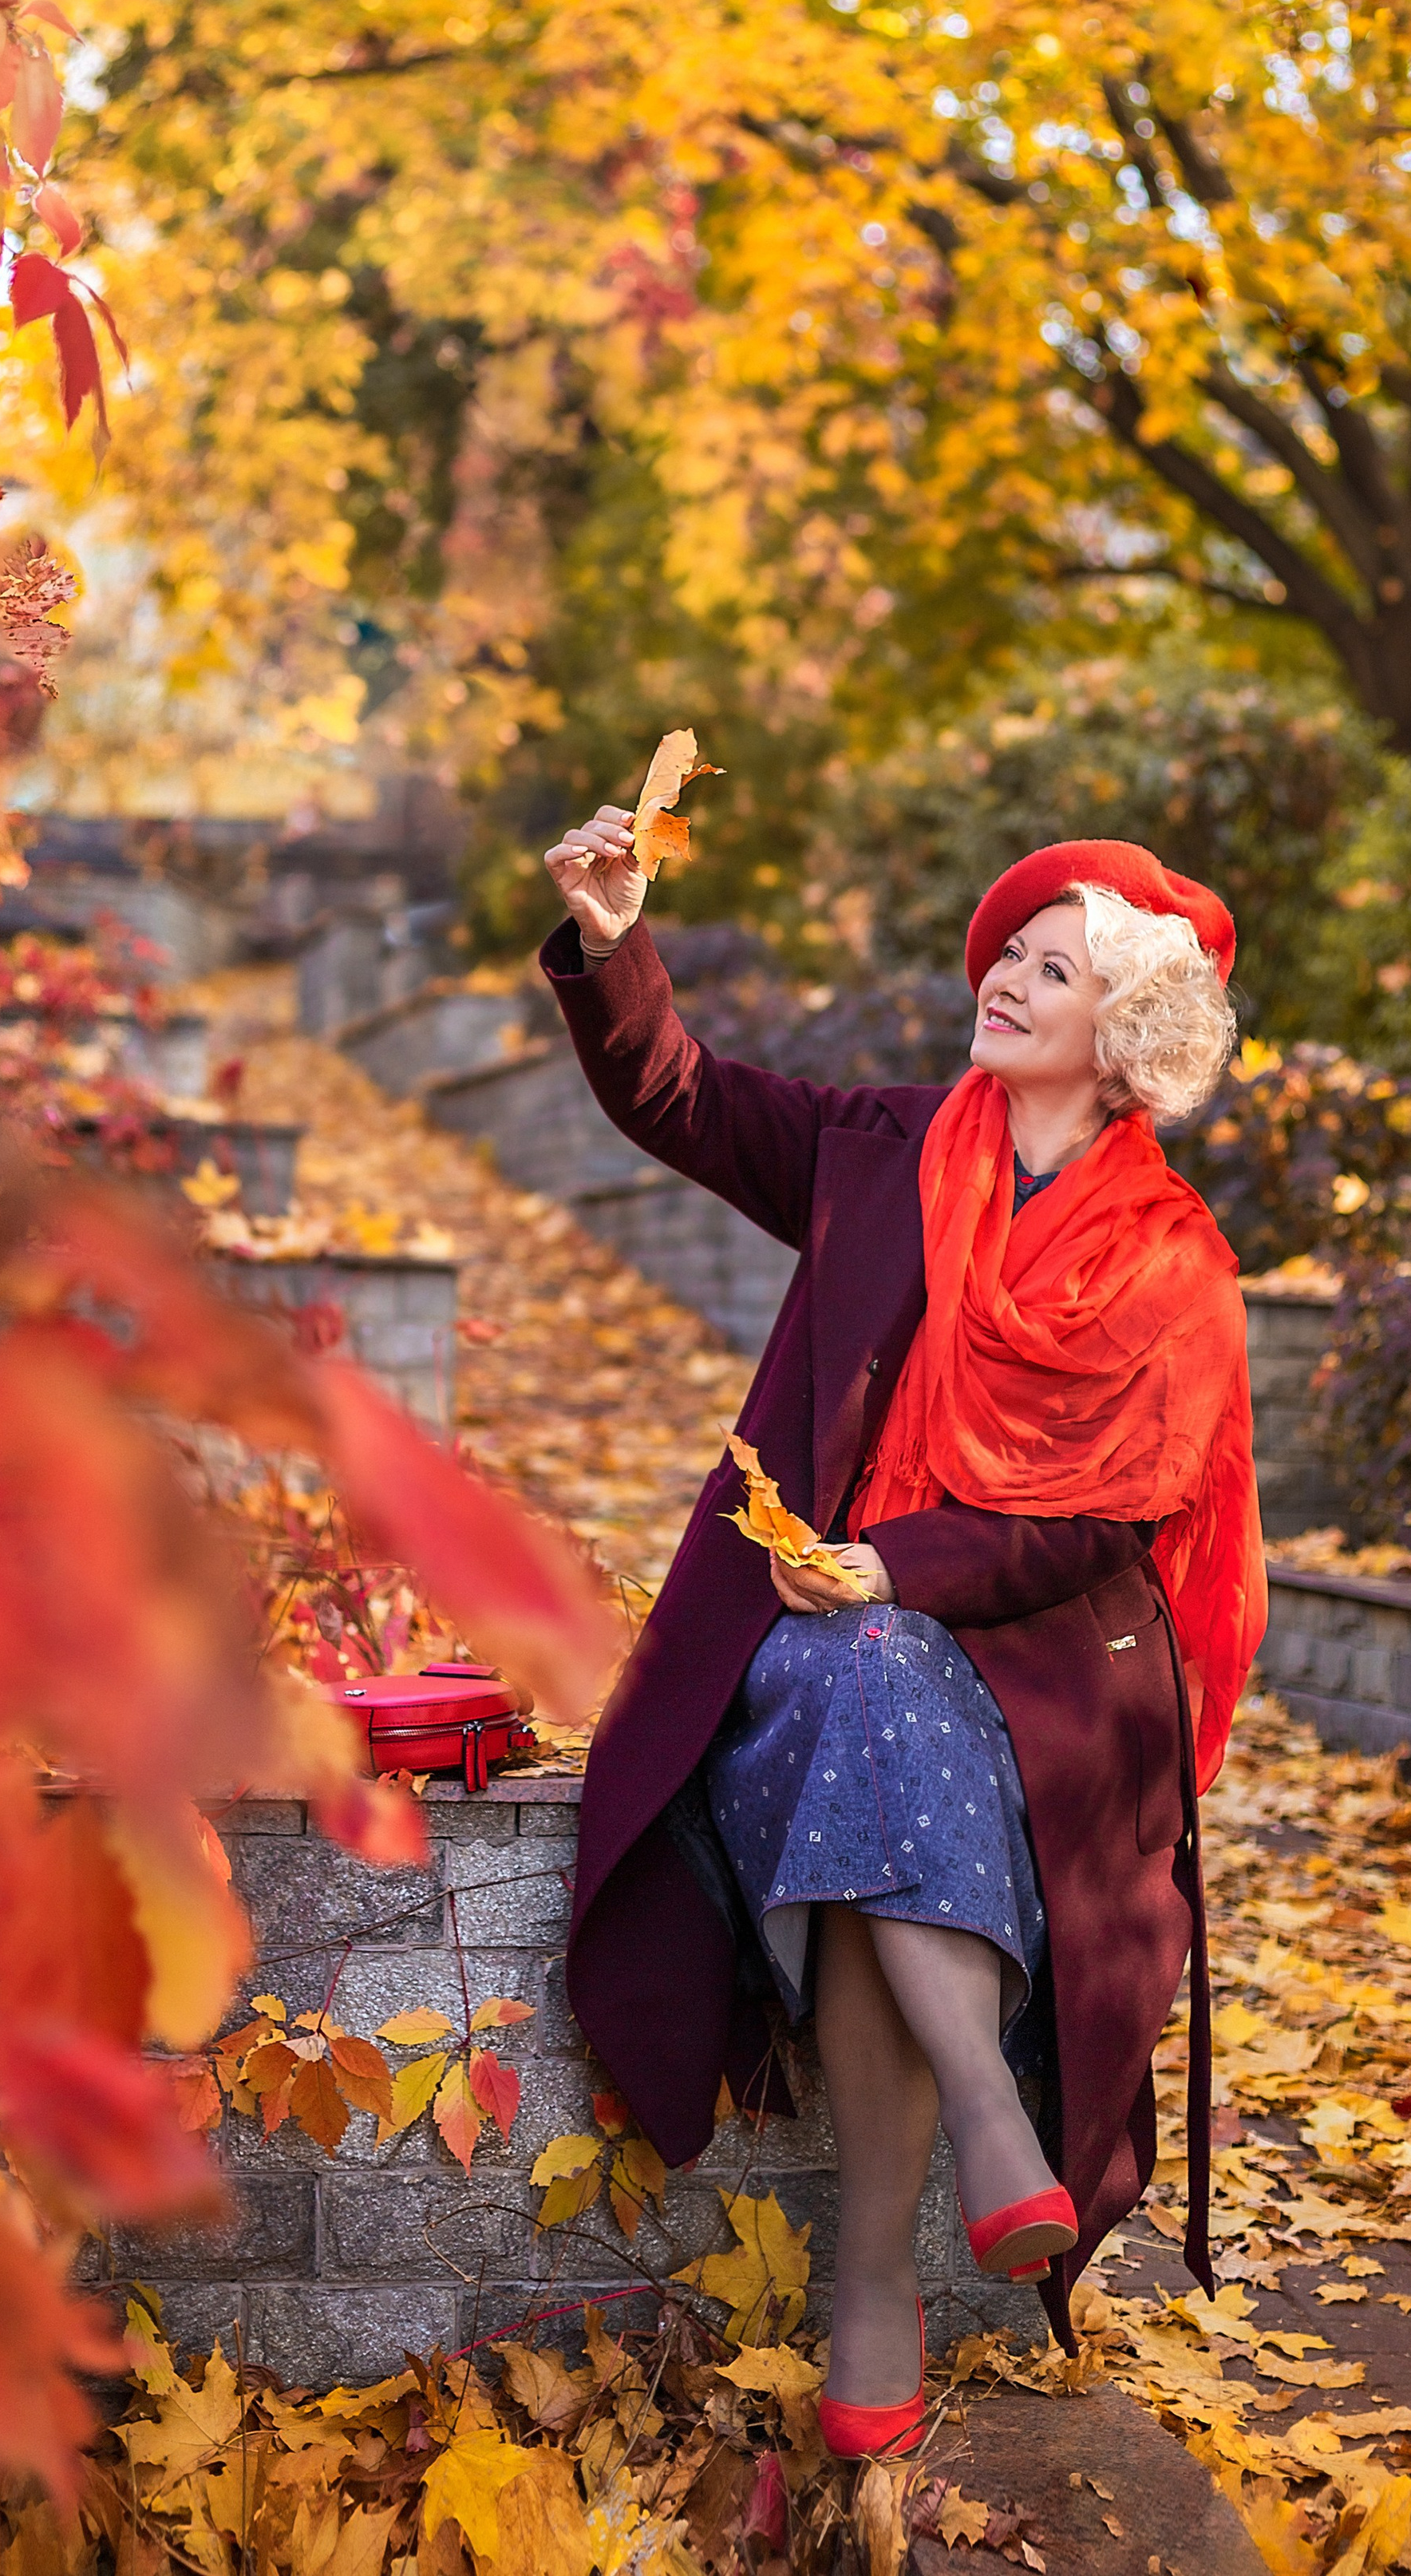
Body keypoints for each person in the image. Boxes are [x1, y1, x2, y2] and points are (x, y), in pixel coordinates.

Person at [538, 817, 1265, 2459]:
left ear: (1123, 1027)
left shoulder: (1170, 1260)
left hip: (1041, 1666)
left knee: (870, 1710)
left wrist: (898, 1564)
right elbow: (685, 1096)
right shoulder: (878, 1148)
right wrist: (609, 945)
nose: (1005, 977)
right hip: (827, 1618)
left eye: (1052, 966)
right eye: (1005, 951)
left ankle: (870, 2271)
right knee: (856, 1680)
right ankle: (987, 2117)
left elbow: (1102, 1522)